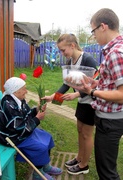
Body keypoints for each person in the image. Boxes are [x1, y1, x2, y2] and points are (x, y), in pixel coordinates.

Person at [66, 8, 123, 180]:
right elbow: (113, 82)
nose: (93, 36)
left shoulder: (115, 53)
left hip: (110, 121)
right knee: (104, 168)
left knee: (107, 173)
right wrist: (96, 82)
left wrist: (91, 91)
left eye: (93, 31)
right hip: (107, 118)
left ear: (103, 26)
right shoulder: (113, 50)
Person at [42, 34, 98, 175]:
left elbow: (94, 83)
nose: (62, 53)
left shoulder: (87, 59)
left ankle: (84, 165)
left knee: (87, 134)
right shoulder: (71, 61)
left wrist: (76, 94)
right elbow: (67, 84)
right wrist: (53, 97)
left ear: (72, 46)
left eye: (63, 50)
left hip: (90, 102)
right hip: (81, 102)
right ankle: (79, 158)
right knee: (79, 130)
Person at [0, 77, 62, 180]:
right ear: (16, 90)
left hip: (20, 132)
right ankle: (37, 174)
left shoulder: (18, 99)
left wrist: (36, 110)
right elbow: (19, 128)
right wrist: (37, 119)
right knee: (41, 147)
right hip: (12, 138)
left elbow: (25, 115)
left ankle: (46, 167)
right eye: (24, 89)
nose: (26, 91)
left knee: (47, 137)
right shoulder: (9, 105)